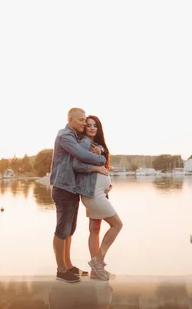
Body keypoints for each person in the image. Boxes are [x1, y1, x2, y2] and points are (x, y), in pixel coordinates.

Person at [50, 107, 109, 283]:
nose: (84, 123)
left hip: (71, 188)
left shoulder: (75, 136)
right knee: (62, 230)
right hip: (63, 188)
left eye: (85, 120)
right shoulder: (65, 136)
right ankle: (61, 270)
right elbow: (81, 155)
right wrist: (101, 159)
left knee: (70, 229)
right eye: (81, 120)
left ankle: (68, 265)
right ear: (70, 120)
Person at [74, 115, 122, 281]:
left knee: (94, 230)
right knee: (117, 225)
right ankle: (98, 262)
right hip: (93, 194)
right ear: (84, 128)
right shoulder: (84, 144)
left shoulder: (97, 145)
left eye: (95, 125)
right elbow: (78, 165)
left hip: (98, 192)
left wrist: (106, 185)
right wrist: (97, 166)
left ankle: (96, 271)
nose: (92, 128)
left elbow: (102, 168)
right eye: (88, 125)